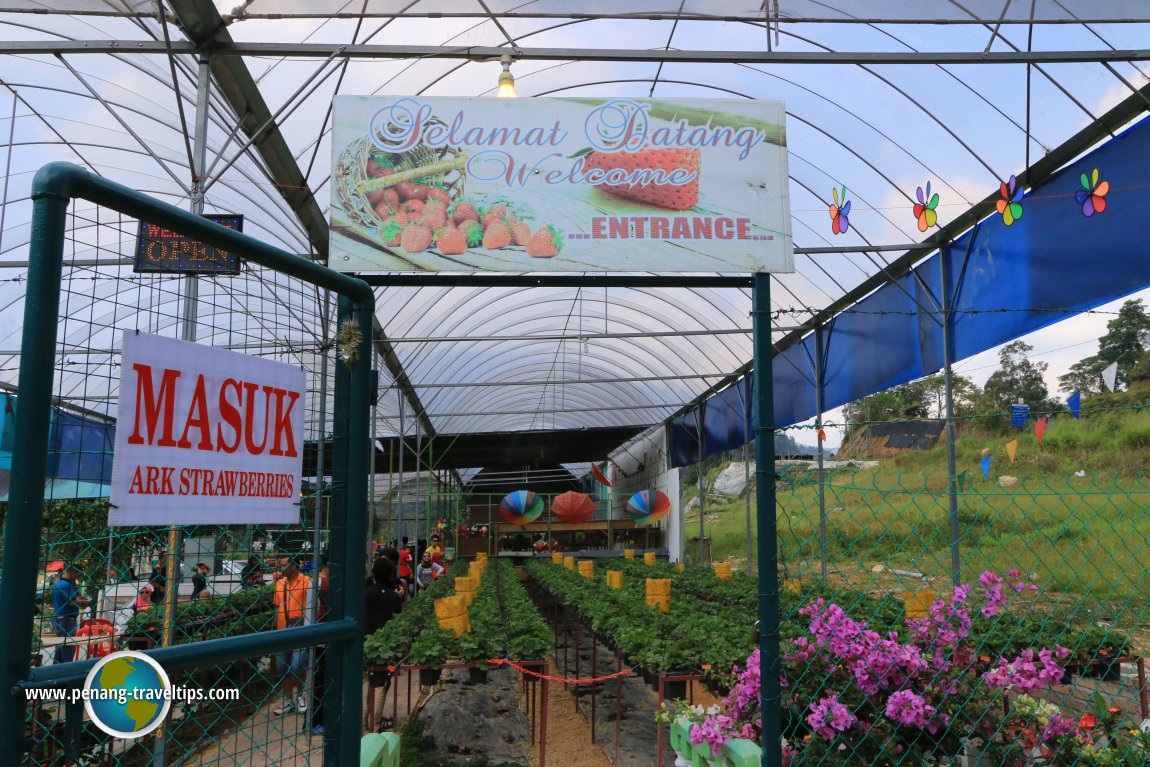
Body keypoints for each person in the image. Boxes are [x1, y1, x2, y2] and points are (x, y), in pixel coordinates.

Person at [364, 557, 403, 731]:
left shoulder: (365, 594)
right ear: (389, 576)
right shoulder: (393, 597)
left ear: (373, 574)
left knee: (373, 681)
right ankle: (375, 723)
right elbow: (397, 618)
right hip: (385, 645)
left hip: (367, 642)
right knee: (380, 683)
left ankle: (369, 717)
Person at [272, 555, 312, 715]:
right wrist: (273, 629)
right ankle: (288, 700)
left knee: (297, 664)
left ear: (294, 566)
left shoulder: (307, 582)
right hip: (282, 629)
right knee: (283, 666)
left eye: (284, 565)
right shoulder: (280, 584)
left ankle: (301, 696)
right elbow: (277, 608)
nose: (281, 568)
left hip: (299, 628)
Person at [52, 563, 91, 664]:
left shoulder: (60, 583)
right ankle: (65, 672)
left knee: (60, 648)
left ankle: (56, 671)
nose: (79, 577)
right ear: (73, 572)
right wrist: (85, 602)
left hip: (60, 618)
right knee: (68, 648)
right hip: (66, 620)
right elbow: (71, 602)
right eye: (79, 575)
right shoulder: (66, 585)